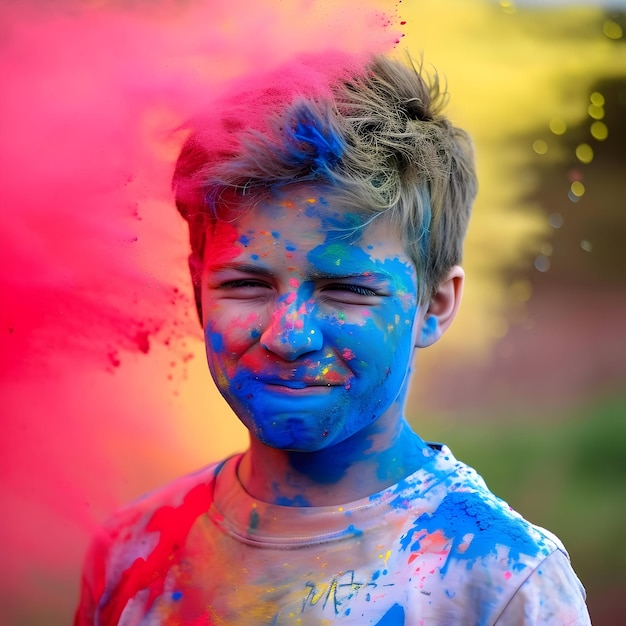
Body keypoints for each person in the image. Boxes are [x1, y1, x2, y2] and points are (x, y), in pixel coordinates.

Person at [74, 53, 591, 625]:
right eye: (246, 283)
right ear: (199, 291)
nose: (288, 336)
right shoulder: (131, 554)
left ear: (434, 306)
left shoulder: (501, 580)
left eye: (347, 289)